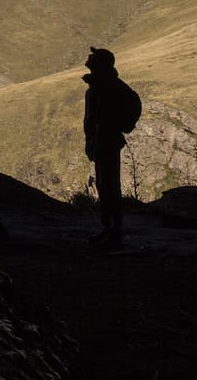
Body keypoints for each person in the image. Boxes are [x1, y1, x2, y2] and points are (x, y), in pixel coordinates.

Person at [82, 46, 141, 247]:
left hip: (107, 141)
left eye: (93, 56)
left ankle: (114, 231)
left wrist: (120, 125)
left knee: (110, 186)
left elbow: (133, 103)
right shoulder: (98, 86)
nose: (88, 58)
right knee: (103, 184)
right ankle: (108, 228)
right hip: (99, 141)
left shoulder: (110, 86)